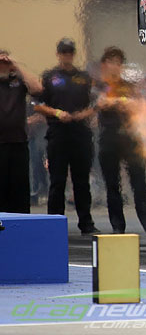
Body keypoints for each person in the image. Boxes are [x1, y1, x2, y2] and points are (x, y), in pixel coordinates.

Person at [34, 38, 98, 234]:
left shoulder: (84, 77)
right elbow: (37, 105)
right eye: (63, 52)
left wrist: (82, 115)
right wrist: (56, 113)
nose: (67, 56)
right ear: (58, 54)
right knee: (57, 180)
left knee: (81, 181)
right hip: (58, 133)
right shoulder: (49, 77)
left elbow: (95, 104)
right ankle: (54, 222)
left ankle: (86, 222)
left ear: (73, 54)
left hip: (80, 133)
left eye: (70, 52)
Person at [95, 47, 146, 236]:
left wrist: (126, 102)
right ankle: (117, 225)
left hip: (130, 137)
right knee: (112, 184)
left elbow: (139, 104)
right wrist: (120, 102)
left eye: (118, 62)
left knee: (139, 181)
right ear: (105, 64)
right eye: (112, 62)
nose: (115, 66)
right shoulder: (100, 85)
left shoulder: (128, 85)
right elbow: (101, 103)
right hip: (109, 137)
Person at [0, 50, 43, 213]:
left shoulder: (18, 81)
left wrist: (16, 64)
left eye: (6, 63)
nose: (3, 66)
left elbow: (37, 88)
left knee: (20, 190)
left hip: (18, 142)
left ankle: (22, 221)